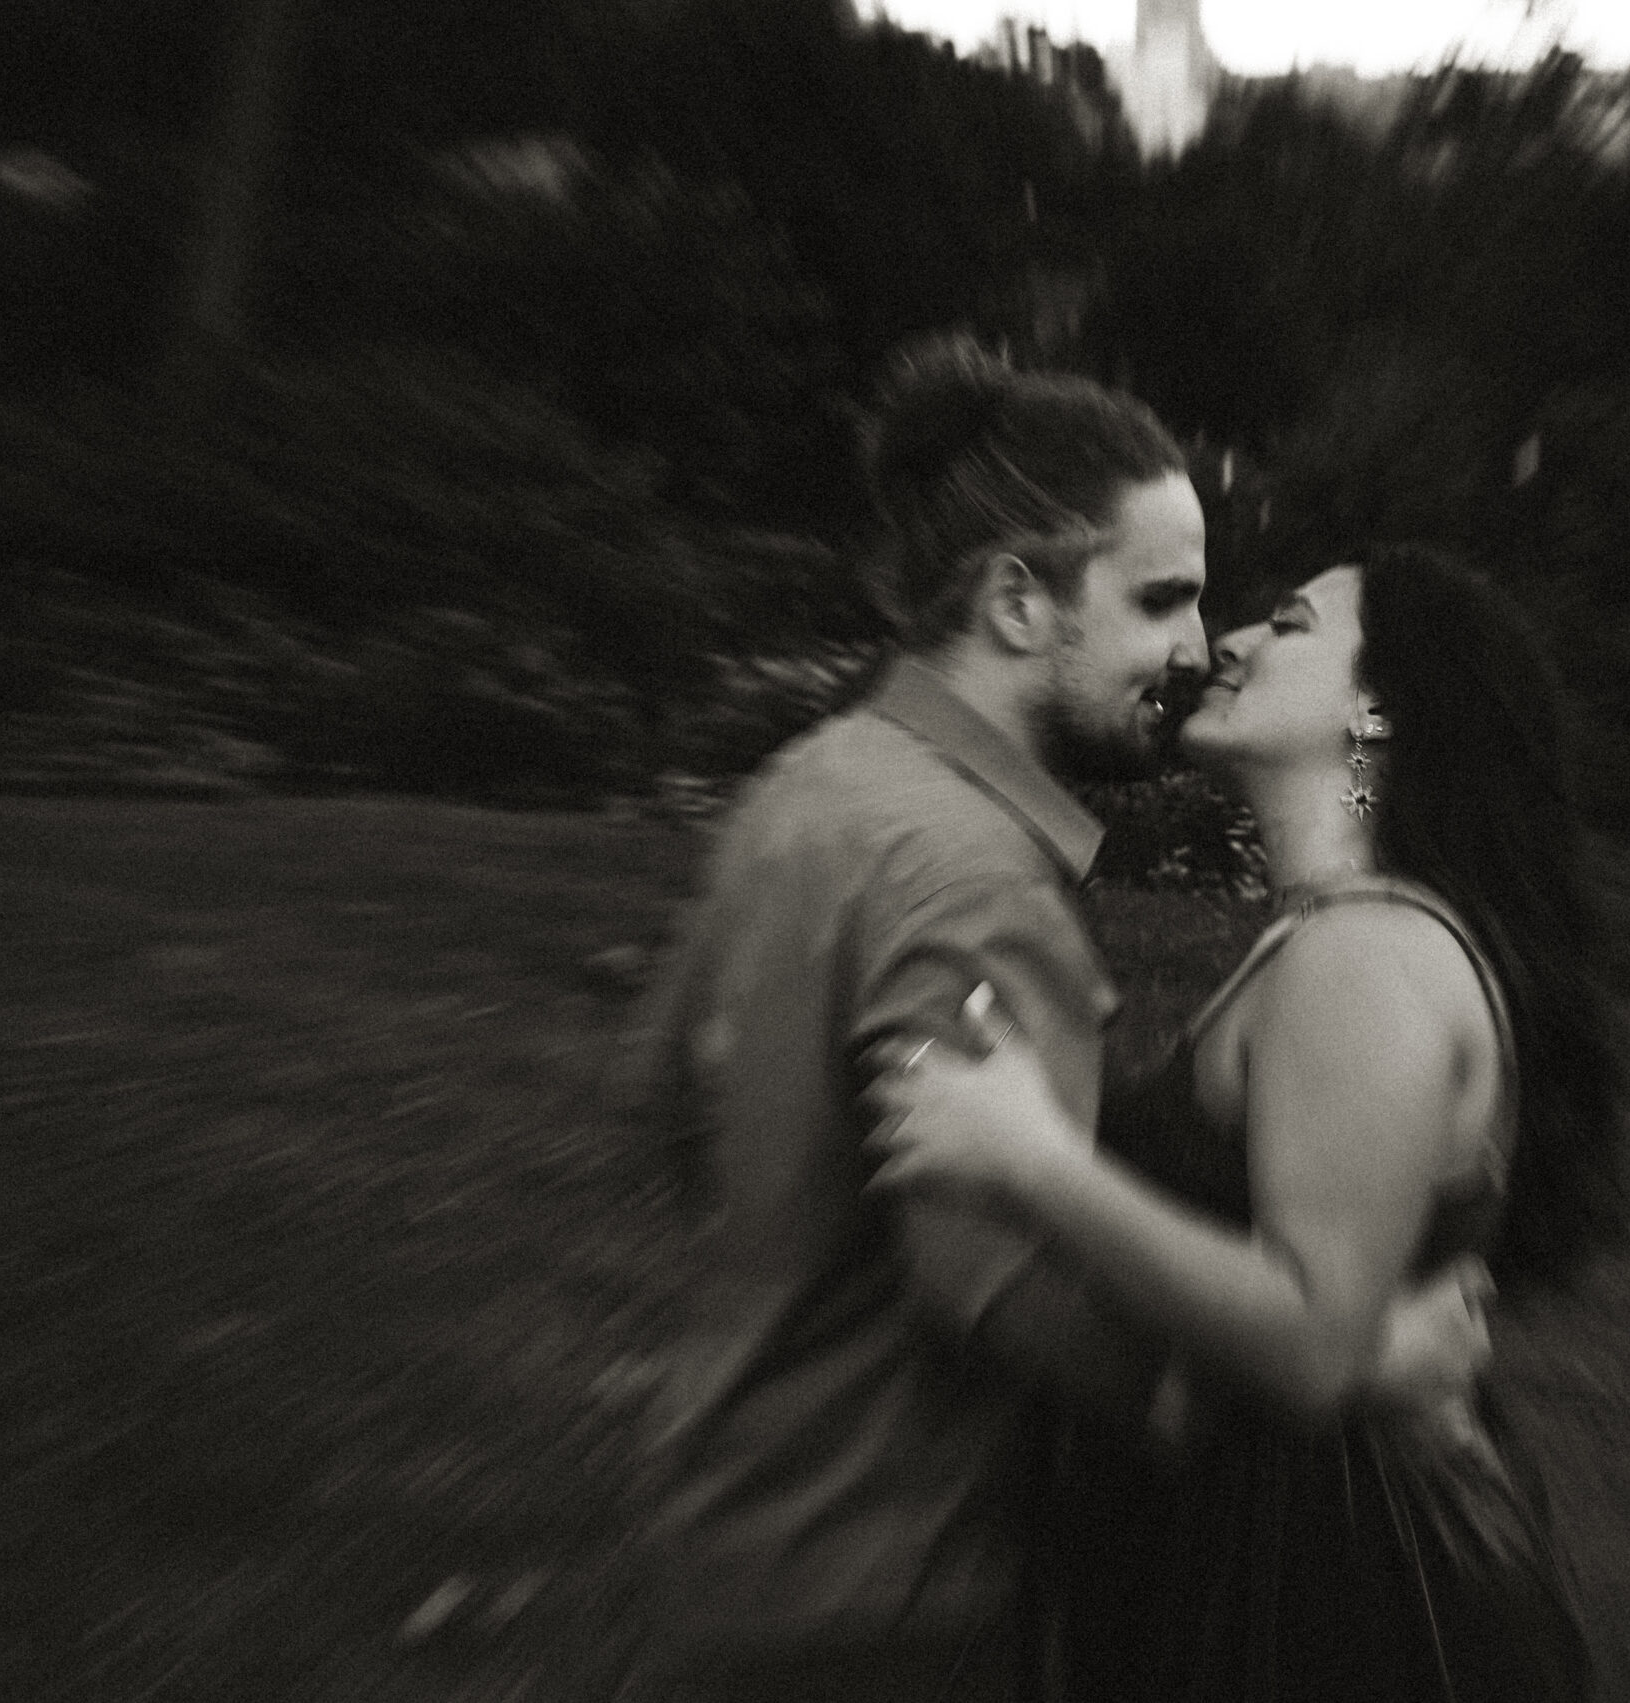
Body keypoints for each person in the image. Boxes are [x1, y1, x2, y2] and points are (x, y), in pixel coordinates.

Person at [621, 343, 1492, 1703]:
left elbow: (663, 1103)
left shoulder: (810, 782)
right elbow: (994, 1284)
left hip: (718, 1525)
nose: (1199, 648)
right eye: (1161, 601)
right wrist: (1351, 1365)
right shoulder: (974, 875)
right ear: (1020, 605)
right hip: (895, 1582)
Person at [867, 544, 1627, 1702]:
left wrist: (1029, 1154)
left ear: (1371, 713)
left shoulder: (1365, 953)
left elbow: (1308, 1345)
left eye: (1290, 625)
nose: (1229, 642)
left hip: (1344, 1605)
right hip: (1266, 1559)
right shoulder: (1327, 937)